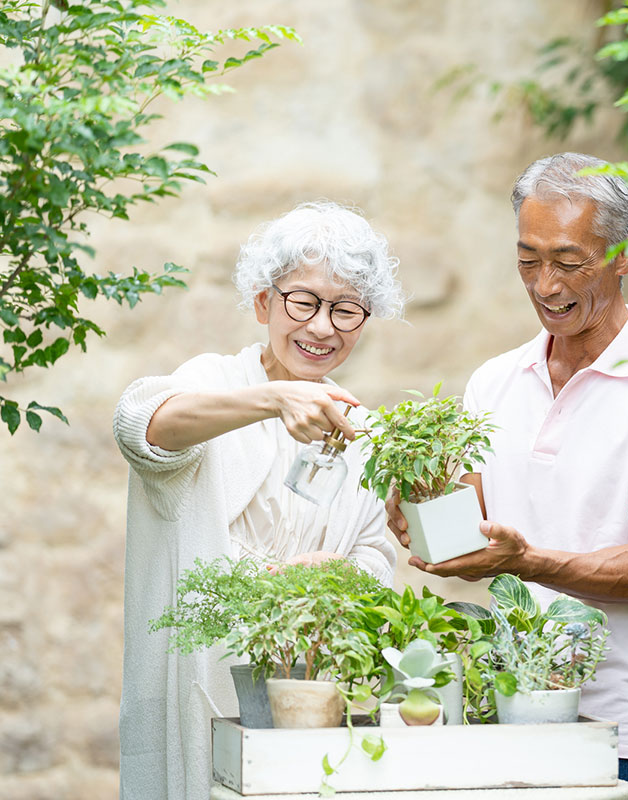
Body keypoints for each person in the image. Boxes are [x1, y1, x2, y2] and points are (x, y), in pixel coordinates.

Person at [386, 153, 628, 800]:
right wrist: (423, 523)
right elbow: (475, 539)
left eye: (569, 263)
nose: (545, 284)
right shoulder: (494, 381)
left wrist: (530, 562)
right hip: (504, 714)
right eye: (528, 260)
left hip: (617, 737)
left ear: (625, 255)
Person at [112, 201, 402, 800]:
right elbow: (141, 425)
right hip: (206, 680)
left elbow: (376, 556)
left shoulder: (360, 430)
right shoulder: (216, 382)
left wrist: (336, 575)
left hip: (315, 695)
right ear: (264, 303)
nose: (322, 327)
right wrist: (274, 398)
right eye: (303, 301)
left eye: (345, 309)